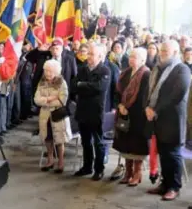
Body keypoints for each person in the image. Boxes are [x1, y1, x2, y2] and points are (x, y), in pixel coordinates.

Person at [146, 40, 191, 201]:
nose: (162, 53)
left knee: (173, 154)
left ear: (175, 52)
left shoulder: (182, 69)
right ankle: (165, 184)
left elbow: (176, 95)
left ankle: (174, 187)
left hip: (173, 120)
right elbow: (150, 91)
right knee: (164, 154)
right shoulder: (158, 69)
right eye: (161, 50)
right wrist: (148, 107)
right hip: (159, 119)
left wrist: (155, 109)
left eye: (166, 50)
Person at [112, 48, 151, 186]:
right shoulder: (125, 73)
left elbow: (145, 98)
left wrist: (128, 108)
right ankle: (127, 172)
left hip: (138, 116)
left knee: (137, 146)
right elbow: (117, 93)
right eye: (131, 56)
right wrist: (120, 106)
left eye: (135, 57)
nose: (131, 59)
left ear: (143, 60)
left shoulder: (146, 74)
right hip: (123, 114)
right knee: (125, 144)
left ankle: (137, 173)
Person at [72, 43, 111, 181]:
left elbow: (100, 88)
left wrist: (82, 85)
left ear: (100, 56)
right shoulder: (82, 69)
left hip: (95, 112)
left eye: (92, 54)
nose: (89, 56)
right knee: (85, 142)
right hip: (82, 110)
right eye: (88, 53)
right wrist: (85, 86)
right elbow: (73, 86)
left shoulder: (105, 71)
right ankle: (87, 166)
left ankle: (99, 169)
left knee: (98, 142)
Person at [34, 60, 72, 173]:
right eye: (46, 71)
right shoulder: (41, 82)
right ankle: (50, 160)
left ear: (56, 72)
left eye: (50, 71)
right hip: (45, 116)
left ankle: (61, 162)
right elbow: (36, 99)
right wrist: (50, 99)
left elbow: (62, 101)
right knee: (47, 139)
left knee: (59, 140)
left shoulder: (62, 83)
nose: (47, 73)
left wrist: (45, 101)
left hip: (57, 115)